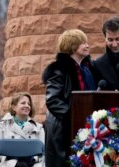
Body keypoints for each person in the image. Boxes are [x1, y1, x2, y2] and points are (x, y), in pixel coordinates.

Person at [42, 29, 96, 167]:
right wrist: (72, 116)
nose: (87, 45)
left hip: (84, 126)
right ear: (72, 46)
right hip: (63, 129)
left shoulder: (86, 69)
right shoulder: (59, 70)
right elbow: (52, 100)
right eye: (83, 43)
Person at [0, 92, 45, 167]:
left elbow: (43, 153)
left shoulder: (39, 128)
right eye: (23, 103)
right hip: (9, 164)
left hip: (32, 163)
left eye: (29, 104)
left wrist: (32, 160)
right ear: (14, 107)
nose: (27, 106)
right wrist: (14, 162)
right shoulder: (2, 126)